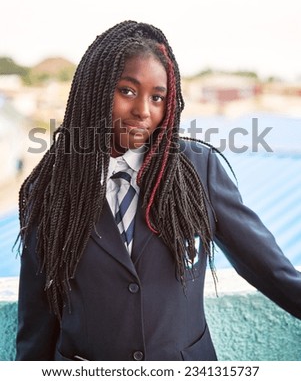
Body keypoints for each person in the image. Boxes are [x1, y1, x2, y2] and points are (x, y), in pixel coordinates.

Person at [15, 20, 301, 361]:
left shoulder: (198, 169)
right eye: (127, 91)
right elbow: (37, 316)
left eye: (158, 97)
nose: (143, 111)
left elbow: (268, 268)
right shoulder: (50, 187)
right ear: (94, 90)